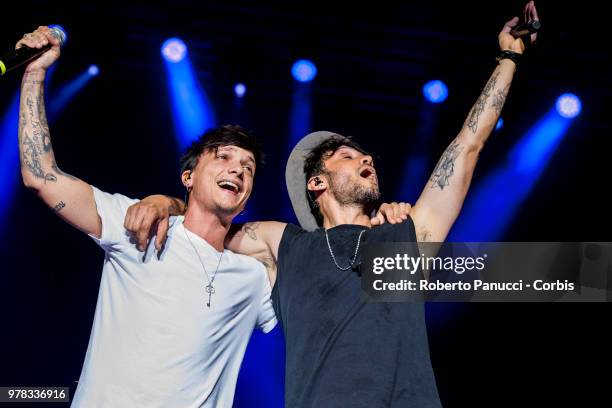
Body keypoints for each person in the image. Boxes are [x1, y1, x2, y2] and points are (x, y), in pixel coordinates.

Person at [127, 2, 540, 406]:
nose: (367, 159)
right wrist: (165, 201)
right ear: (317, 182)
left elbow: (467, 146)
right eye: (348, 155)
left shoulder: (407, 234)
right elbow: (208, 218)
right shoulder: (283, 244)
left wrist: (508, 56)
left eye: (366, 156)